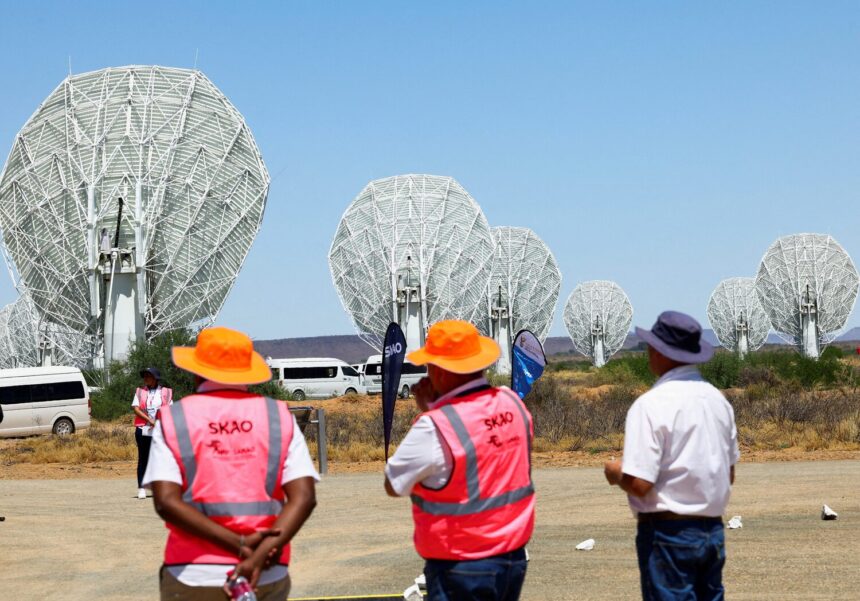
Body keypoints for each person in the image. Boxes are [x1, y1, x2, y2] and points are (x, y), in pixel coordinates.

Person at [144, 326, 318, 601]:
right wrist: (257, 556)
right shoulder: (278, 417)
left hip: (192, 573)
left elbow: (166, 501)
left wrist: (238, 545)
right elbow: (304, 498)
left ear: (196, 370)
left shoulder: (174, 419)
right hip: (266, 572)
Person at [384, 320, 535, 601]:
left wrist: (431, 411)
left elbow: (394, 484)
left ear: (440, 371)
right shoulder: (513, 403)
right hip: (513, 557)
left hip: (462, 565)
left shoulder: (434, 426)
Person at [604, 311, 740, 601]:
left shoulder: (650, 405)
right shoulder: (719, 401)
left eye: (652, 347)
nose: (649, 352)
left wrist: (616, 473)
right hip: (711, 531)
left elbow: (641, 484)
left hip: (668, 534)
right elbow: (728, 474)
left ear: (661, 353)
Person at [132, 367, 173, 499]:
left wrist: (159, 421)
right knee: (143, 458)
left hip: (160, 428)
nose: (145, 379)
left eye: (148, 376)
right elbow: (136, 408)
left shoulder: (166, 392)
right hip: (143, 429)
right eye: (144, 376)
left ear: (155, 378)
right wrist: (149, 420)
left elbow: (170, 409)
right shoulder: (140, 391)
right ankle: (142, 488)